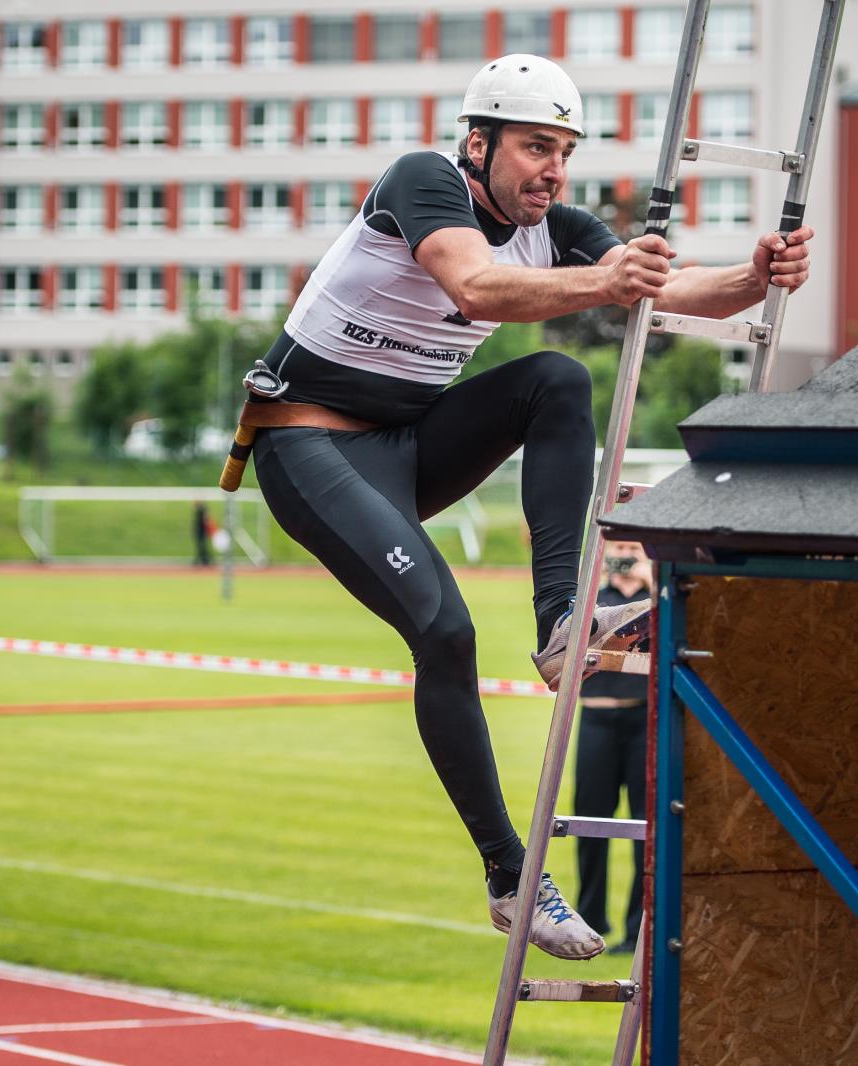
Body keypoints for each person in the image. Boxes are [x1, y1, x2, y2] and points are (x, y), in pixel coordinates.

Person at [244, 54, 814, 961]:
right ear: (479, 145)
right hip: (307, 444)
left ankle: (563, 623)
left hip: (405, 448)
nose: (552, 171)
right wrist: (607, 281)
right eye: (535, 148)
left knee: (557, 379)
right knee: (445, 635)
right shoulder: (424, 181)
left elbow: (674, 293)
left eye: (565, 152)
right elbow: (476, 287)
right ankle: (510, 875)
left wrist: (754, 276)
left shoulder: (556, 226)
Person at [573, 540, 652, 954]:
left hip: (643, 720)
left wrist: (650, 580)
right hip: (597, 719)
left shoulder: (656, 597)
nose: (624, 554)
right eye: (618, 547)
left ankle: (638, 928)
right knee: (588, 825)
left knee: (645, 829)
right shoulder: (592, 597)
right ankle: (588, 922)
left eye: (631, 547)